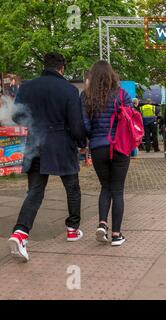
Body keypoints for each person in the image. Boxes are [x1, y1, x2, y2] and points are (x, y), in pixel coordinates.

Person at [7, 53, 86, 262]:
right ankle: (72, 229)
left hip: (35, 144)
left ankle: (20, 233)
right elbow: (76, 123)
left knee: (34, 191)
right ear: (62, 68)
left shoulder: (26, 87)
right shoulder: (69, 90)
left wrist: (35, 125)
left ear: (45, 66)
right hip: (61, 145)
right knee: (72, 188)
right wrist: (82, 143)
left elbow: (16, 116)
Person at [81, 60, 132, 246]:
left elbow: (85, 125)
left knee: (105, 187)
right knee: (117, 189)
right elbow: (130, 119)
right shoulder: (122, 94)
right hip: (119, 147)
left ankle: (102, 224)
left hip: (98, 147)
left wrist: (92, 136)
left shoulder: (86, 96)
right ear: (112, 75)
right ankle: (117, 235)